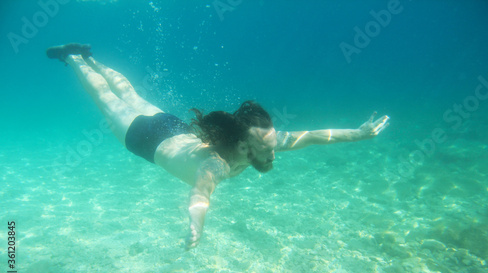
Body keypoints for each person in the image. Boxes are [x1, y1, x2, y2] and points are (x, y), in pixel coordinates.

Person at [47, 43, 390, 250]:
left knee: (131, 94)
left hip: (172, 129)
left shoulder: (256, 143)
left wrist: (361, 133)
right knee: (107, 98)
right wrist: (197, 224)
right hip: (144, 138)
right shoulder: (216, 164)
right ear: (243, 147)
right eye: (267, 149)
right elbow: (200, 194)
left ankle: (90, 57)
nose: (275, 152)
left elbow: (314, 135)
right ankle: (75, 58)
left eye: (273, 145)